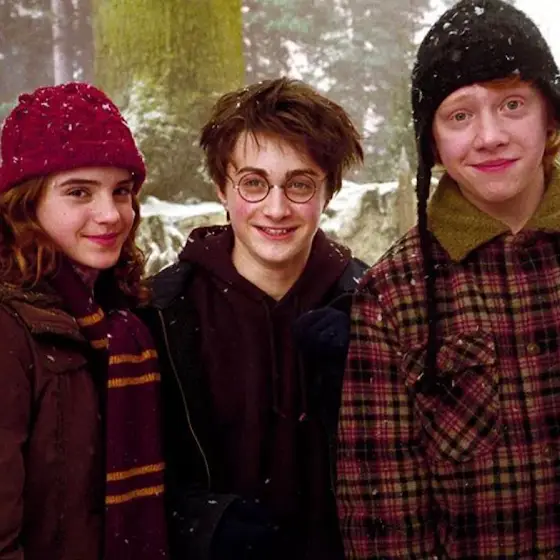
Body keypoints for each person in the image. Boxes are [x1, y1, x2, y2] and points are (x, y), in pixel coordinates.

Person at [336, 0, 560, 557]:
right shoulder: (393, 295)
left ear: (550, 116)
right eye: (460, 115)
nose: (490, 136)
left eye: (512, 104)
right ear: (432, 142)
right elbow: (383, 520)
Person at [142, 77, 366, 560]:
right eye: (253, 183)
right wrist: (202, 525)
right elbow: (131, 472)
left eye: (300, 184)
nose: (276, 208)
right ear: (222, 189)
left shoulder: (372, 305)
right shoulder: (161, 314)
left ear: (328, 192)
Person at [0, 83, 167, 560]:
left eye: (121, 191)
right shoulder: (10, 328)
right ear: (26, 204)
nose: (110, 214)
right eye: (79, 192)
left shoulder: (121, 317)